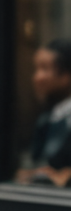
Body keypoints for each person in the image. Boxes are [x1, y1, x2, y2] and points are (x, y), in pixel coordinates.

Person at [20, 39, 71, 188]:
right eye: (36, 69)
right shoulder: (46, 118)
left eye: (44, 69)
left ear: (66, 75)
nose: (37, 77)